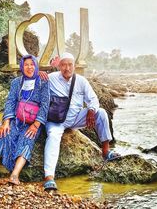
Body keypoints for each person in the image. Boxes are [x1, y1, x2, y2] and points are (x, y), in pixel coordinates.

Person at [41, 52, 120, 191]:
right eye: (64, 65)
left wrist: (91, 109)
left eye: (70, 65)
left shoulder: (81, 81)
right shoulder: (51, 78)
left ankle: (106, 151)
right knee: (53, 136)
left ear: (75, 66)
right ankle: (49, 177)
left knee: (101, 112)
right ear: (59, 66)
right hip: (56, 120)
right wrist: (38, 73)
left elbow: (94, 100)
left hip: (76, 118)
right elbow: (30, 78)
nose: (67, 68)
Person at [0, 55, 50, 185]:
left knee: (27, 139)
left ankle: (14, 175)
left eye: (32, 64)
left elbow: (45, 104)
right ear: (22, 67)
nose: (29, 67)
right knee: (3, 135)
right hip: (17, 120)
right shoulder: (16, 82)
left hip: (33, 122)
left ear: (36, 66)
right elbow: (10, 102)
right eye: (26, 65)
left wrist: (36, 125)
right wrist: (6, 122)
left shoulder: (43, 82)